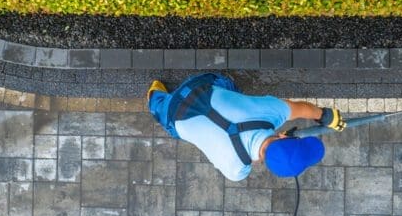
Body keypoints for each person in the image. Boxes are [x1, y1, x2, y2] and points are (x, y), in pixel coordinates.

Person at [147, 73, 346, 181]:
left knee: (227, 85)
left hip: (198, 87)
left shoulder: (271, 112)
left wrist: (326, 116)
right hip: (175, 117)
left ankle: (156, 96)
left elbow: (301, 108)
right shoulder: (236, 171)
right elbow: (253, 158)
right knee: (163, 112)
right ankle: (155, 97)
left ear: (285, 137)